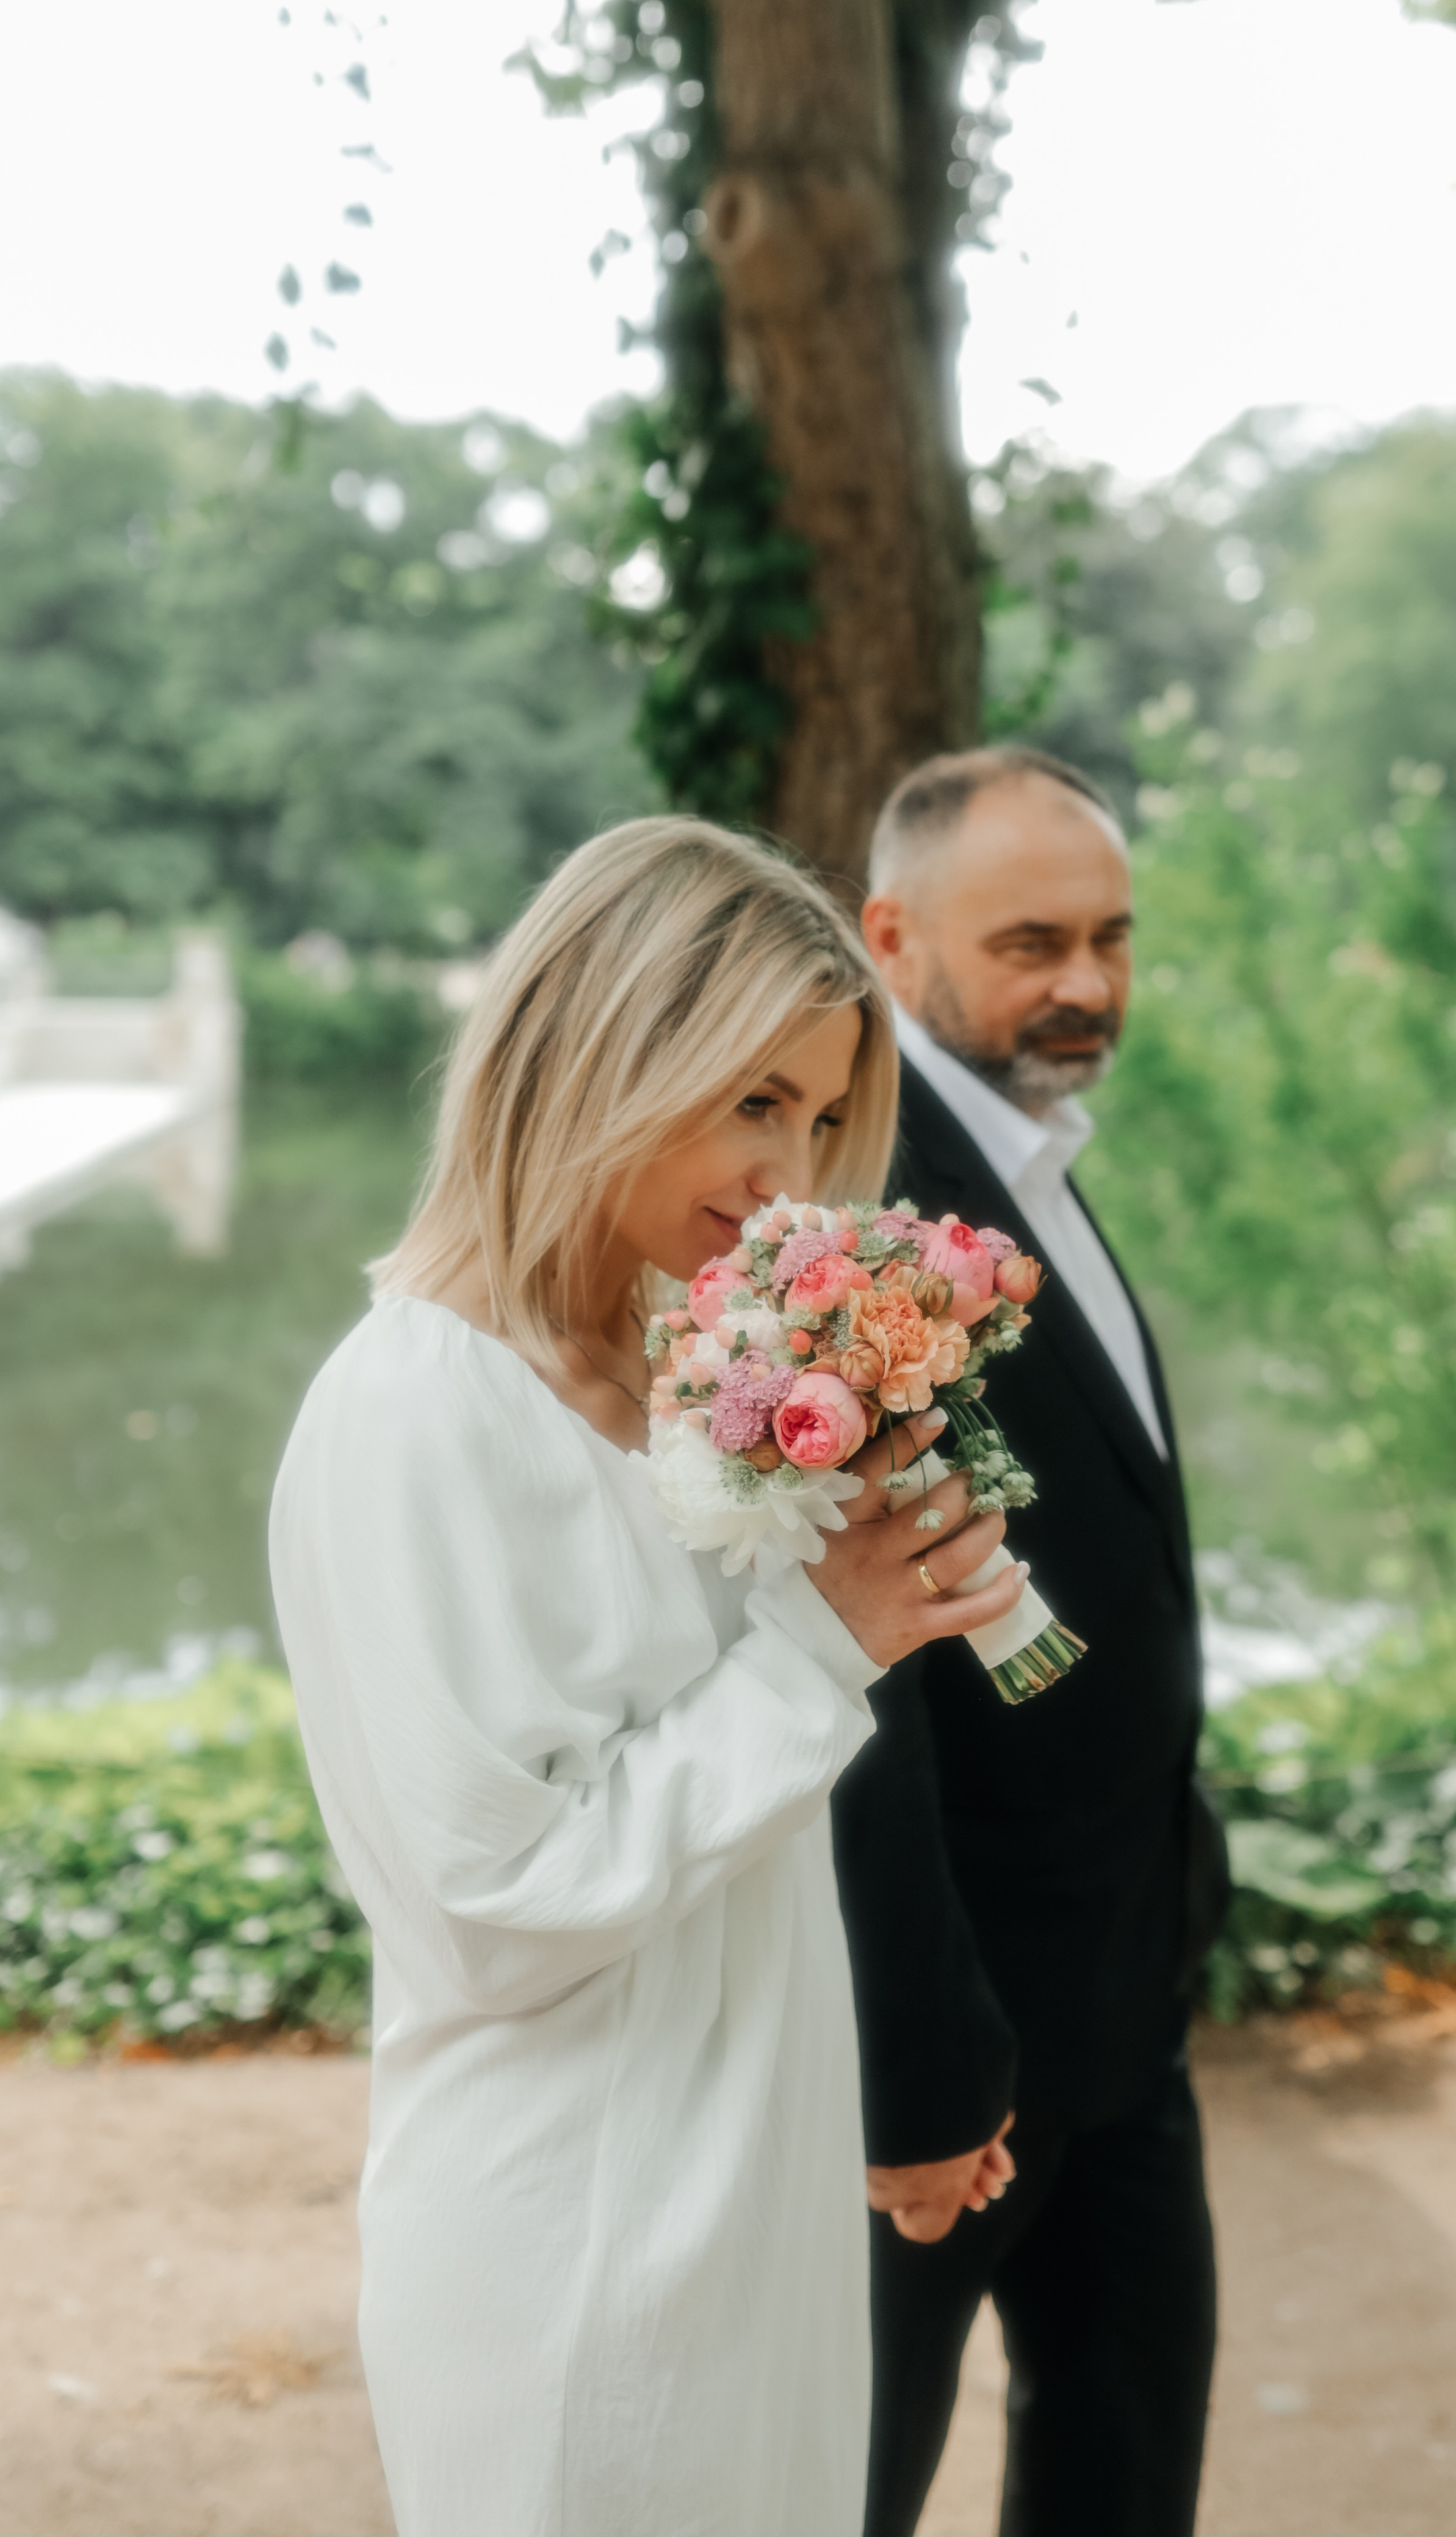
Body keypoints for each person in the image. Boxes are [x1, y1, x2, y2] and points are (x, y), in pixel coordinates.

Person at [268, 817, 1031, 2537]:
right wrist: (828, 1636)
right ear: (602, 1045)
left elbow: (779, 1808)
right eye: (755, 1100)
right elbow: (495, 1900)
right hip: (576, 2240)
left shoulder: (691, 1386)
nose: (796, 1168)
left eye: (824, 1117)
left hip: (751, 2195)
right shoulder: (418, 1416)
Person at [832, 746, 1232, 2537]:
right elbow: (858, 1681)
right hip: (960, 2038)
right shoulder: (850, 1208)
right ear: (893, 936)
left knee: (1124, 2474)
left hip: (1127, 1995)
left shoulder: (1036, 1153)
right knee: (856, 2486)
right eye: (1035, 942)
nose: (1086, 984)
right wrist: (920, 2068)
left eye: (1113, 939)